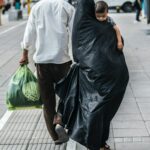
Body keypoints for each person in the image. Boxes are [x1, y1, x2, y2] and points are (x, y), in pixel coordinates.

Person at [55, 0, 129, 149]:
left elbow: (77, 52)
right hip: (112, 76)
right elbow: (119, 44)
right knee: (100, 110)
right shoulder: (106, 25)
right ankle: (98, 142)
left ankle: (62, 119)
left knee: (87, 104)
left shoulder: (81, 23)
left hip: (90, 74)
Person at [19, 0, 75, 145]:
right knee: (67, 95)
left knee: (48, 101)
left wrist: (25, 53)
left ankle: (56, 138)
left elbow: (29, 31)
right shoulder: (66, 6)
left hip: (42, 63)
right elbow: (76, 31)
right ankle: (60, 121)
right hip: (62, 60)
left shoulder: (37, 7)